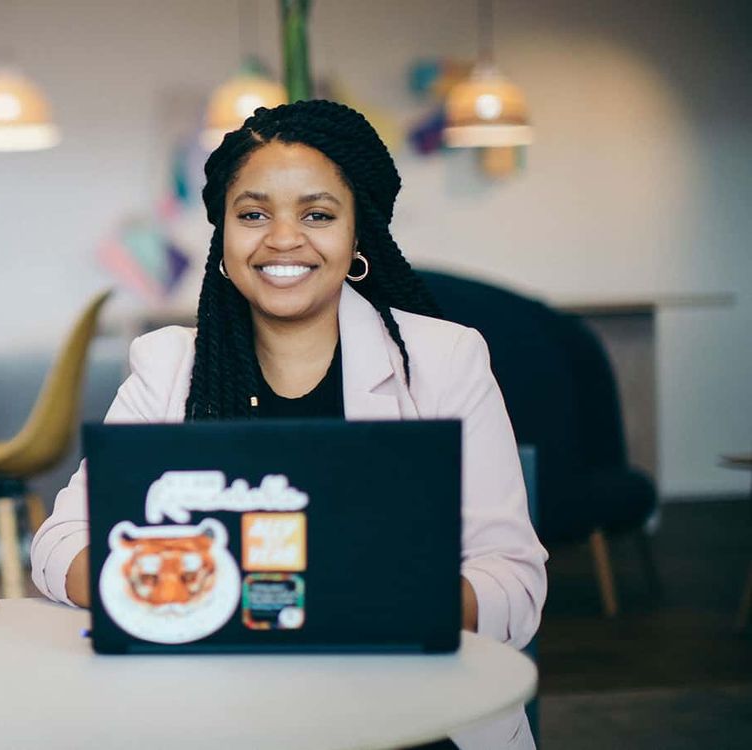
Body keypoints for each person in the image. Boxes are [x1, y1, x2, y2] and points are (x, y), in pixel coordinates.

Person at [29, 100, 546, 750]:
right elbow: (58, 544)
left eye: (317, 214)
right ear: (224, 236)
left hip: (409, 715)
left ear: (358, 235)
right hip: (211, 716)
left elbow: (516, 581)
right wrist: (169, 593)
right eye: (253, 214)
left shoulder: (445, 360)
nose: (282, 238)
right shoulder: (166, 367)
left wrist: (377, 606)